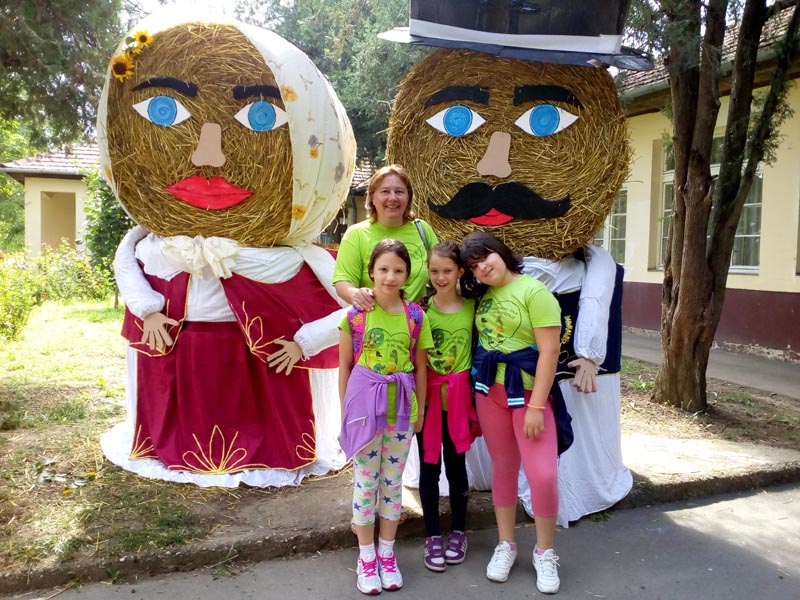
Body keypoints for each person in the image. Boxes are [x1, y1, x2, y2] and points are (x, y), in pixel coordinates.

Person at [461, 232, 570, 595]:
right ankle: (505, 544)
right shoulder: (483, 296)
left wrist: (536, 406)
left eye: (485, 257)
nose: (482, 268)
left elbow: (549, 352)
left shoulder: (535, 292)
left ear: (500, 252)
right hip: (489, 394)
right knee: (503, 470)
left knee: (542, 475)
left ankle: (545, 551)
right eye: (473, 266)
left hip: (527, 397)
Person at [338, 239, 433, 595]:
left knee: (392, 484)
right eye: (383, 269)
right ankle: (366, 557)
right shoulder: (355, 316)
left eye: (398, 270)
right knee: (366, 483)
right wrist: (346, 412)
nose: (390, 277)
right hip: (364, 411)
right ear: (371, 272)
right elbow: (344, 367)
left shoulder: (416, 316)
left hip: (401, 409)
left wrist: (419, 410)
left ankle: (387, 554)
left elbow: (420, 367)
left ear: (407, 275)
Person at [416, 241, 477, 572]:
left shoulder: (473, 308)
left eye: (447, 271)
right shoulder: (421, 312)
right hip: (428, 402)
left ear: (460, 271)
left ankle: (458, 531)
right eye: (434, 271)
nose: (440, 277)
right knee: (429, 467)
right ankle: (431, 535)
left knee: (456, 467)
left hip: (458, 402)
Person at [333, 164, 438, 310]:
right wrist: (356, 294)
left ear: (408, 197)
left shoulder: (423, 230)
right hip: (373, 320)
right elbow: (343, 282)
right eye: (385, 191)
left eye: (399, 192)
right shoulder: (356, 234)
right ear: (372, 197)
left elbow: (443, 270)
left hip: (416, 321)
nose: (393, 198)